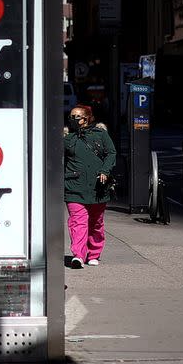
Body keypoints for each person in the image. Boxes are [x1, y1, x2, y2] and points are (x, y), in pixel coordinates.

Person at [64, 105, 116, 269]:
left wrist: (105, 170)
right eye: (71, 116)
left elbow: (111, 153)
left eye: (76, 116)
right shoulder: (67, 138)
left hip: (97, 187)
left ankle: (93, 253)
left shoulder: (101, 135)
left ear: (86, 118)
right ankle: (78, 255)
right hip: (74, 186)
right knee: (78, 222)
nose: (73, 120)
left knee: (96, 222)